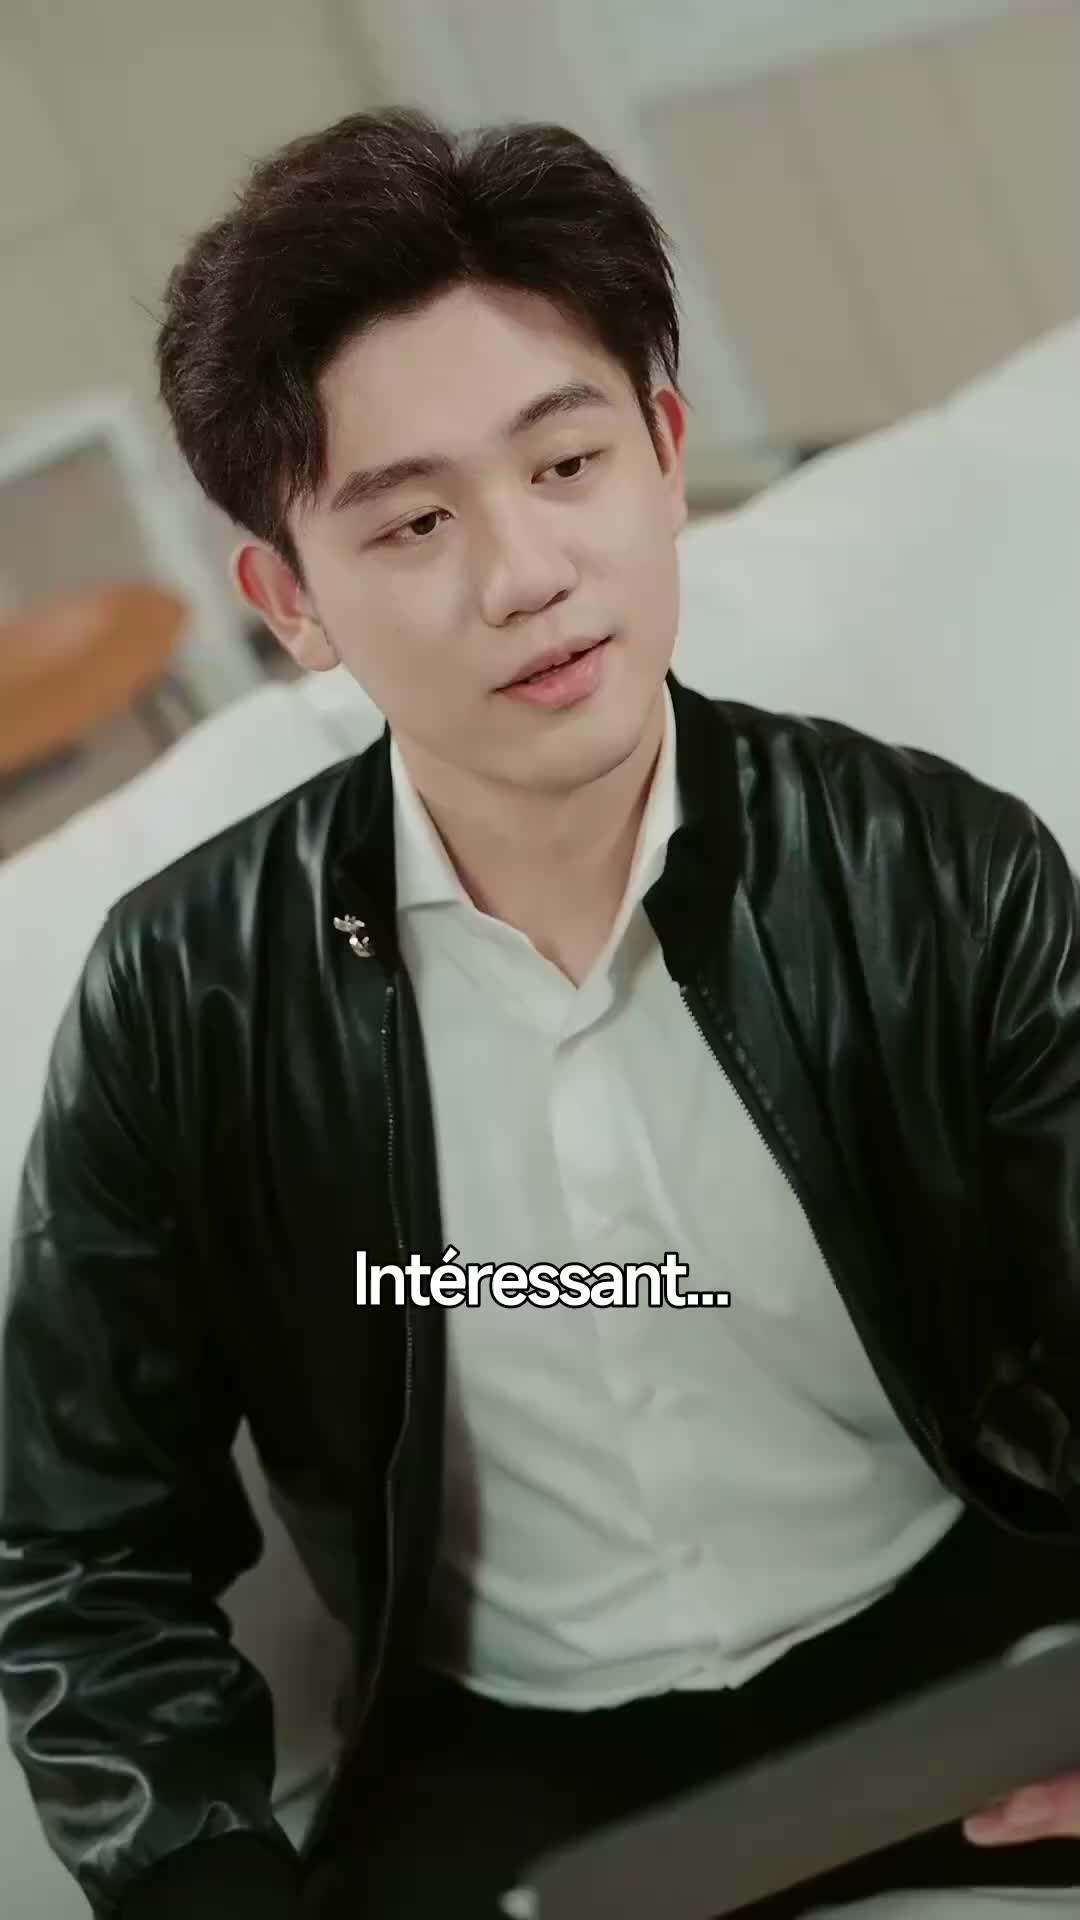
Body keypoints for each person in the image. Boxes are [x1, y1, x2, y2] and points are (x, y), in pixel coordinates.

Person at [2, 105, 1080, 1920]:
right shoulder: (186, 996)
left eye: (566, 464)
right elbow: (76, 1550)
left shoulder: (938, 872)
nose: (523, 575)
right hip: (513, 1759)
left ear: (665, 455)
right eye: (416, 520)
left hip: (960, 1650)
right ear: (290, 600)